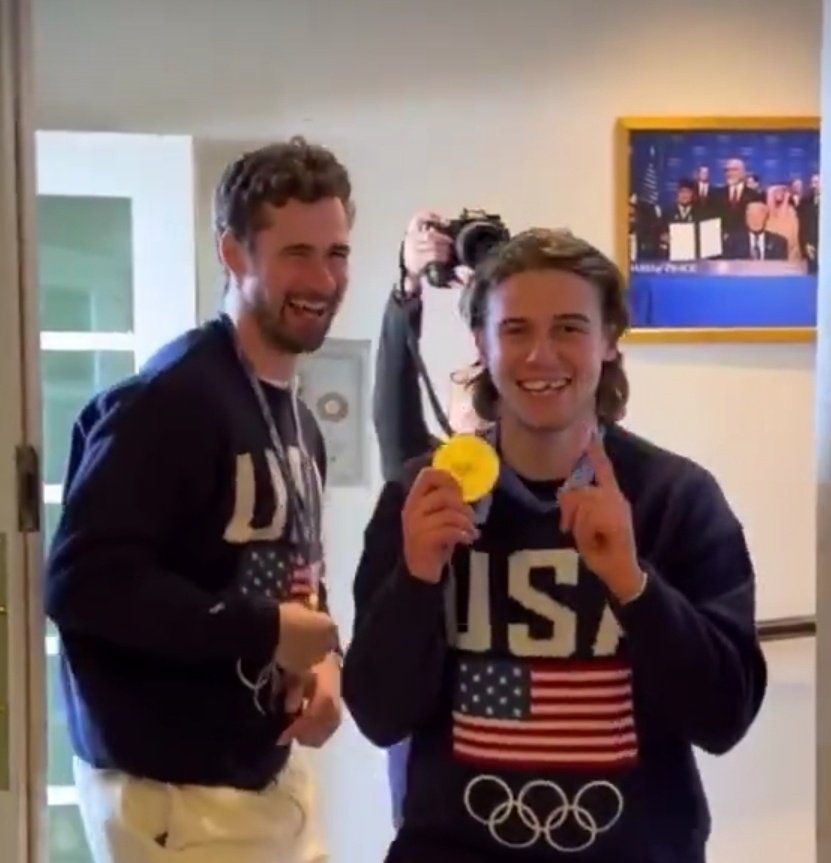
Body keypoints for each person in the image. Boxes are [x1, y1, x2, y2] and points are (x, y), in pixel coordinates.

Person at [345, 227, 767, 862]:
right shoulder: (422, 499)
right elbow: (380, 715)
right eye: (515, 330)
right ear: (482, 345)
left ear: (609, 342)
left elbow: (723, 719)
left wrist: (633, 583)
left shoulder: (676, 498)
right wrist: (416, 578)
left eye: (569, 328)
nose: (541, 355)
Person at [44, 136, 354, 863]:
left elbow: (293, 572)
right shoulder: (170, 399)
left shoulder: (295, 417)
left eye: (335, 253)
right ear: (234, 254)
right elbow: (83, 584)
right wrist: (261, 629)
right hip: (175, 796)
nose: (321, 277)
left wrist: (322, 669)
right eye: (296, 253)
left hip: (263, 774)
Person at [372, 210, 489, 826]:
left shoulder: (562, 475)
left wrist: (491, 297)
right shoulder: (422, 479)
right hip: (429, 740)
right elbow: (392, 402)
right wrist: (408, 290)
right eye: (460, 383)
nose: (469, 388)